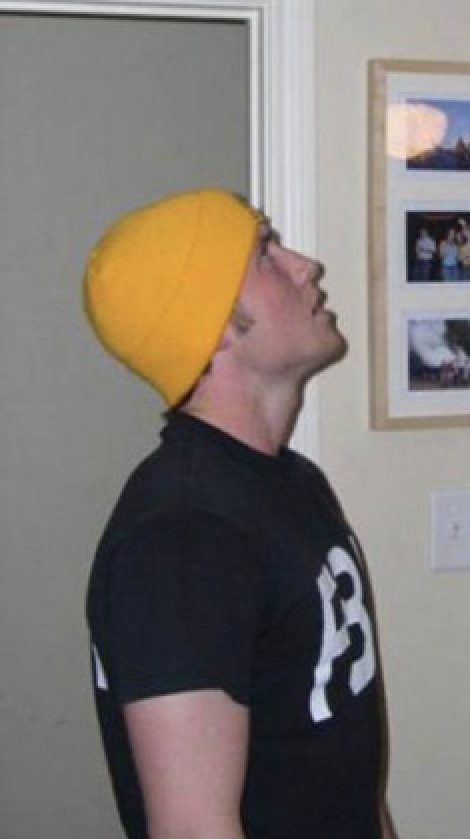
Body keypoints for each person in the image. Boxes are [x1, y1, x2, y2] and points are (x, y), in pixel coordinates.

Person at [82, 188, 396, 839]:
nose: (304, 264)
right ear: (215, 323)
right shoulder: (182, 538)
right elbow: (195, 829)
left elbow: (344, 771)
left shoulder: (291, 485)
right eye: (264, 253)